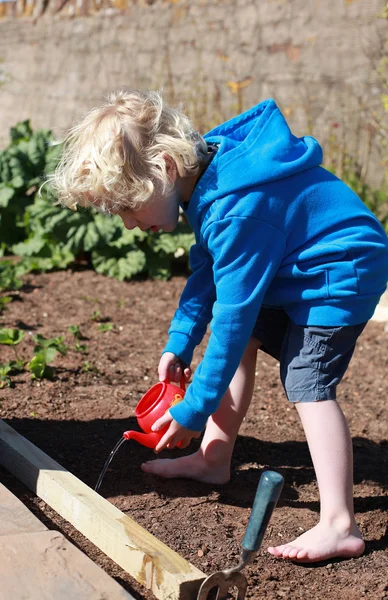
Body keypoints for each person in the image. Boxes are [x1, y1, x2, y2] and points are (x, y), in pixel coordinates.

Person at [51, 90, 388, 563]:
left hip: (338, 270)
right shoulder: (208, 181)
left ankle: (339, 522)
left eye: (128, 207)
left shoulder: (236, 207)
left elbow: (232, 319)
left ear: (164, 168)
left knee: (307, 383)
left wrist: (191, 410)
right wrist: (180, 342)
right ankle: (214, 459)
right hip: (295, 263)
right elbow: (206, 272)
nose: (128, 224)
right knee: (247, 342)